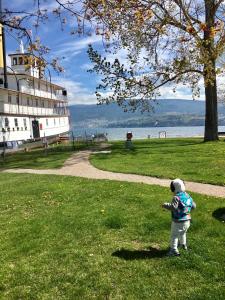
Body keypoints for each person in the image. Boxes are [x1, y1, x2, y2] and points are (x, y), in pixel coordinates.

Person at [162, 178, 196, 256]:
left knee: (174, 236)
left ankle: (174, 250)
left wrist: (165, 205)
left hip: (178, 221)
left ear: (173, 188)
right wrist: (186, 210)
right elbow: (194, 206)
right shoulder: (187, 195)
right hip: (187, 220)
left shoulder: (176, 197)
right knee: (183, 233)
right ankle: (183, 245)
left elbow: (173, 207)